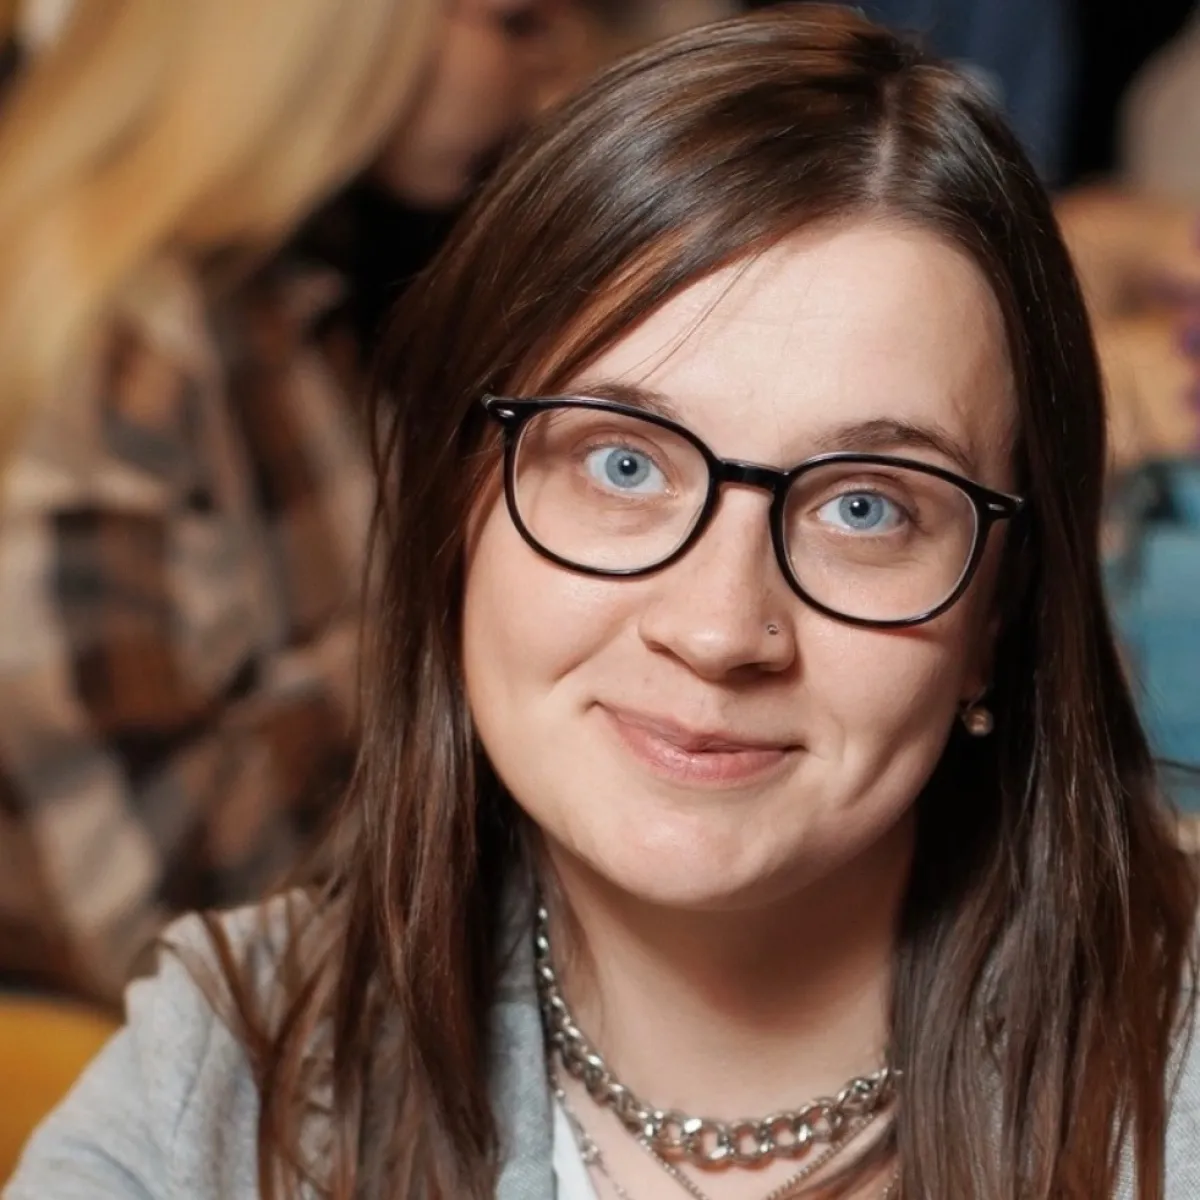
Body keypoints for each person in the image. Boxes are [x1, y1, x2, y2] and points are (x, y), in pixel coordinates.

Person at [8, 5, 1200, 1198]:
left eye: (864, 507)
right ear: (454, 517)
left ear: (999, 613)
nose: (718, 629)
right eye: (623, 464)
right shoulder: (219, 1083)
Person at [0, 0, 581, 1005]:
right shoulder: (127, 344)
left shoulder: (296, 308)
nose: (549, 77)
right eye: (514, 21)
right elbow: (151, 906)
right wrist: (439, 643)